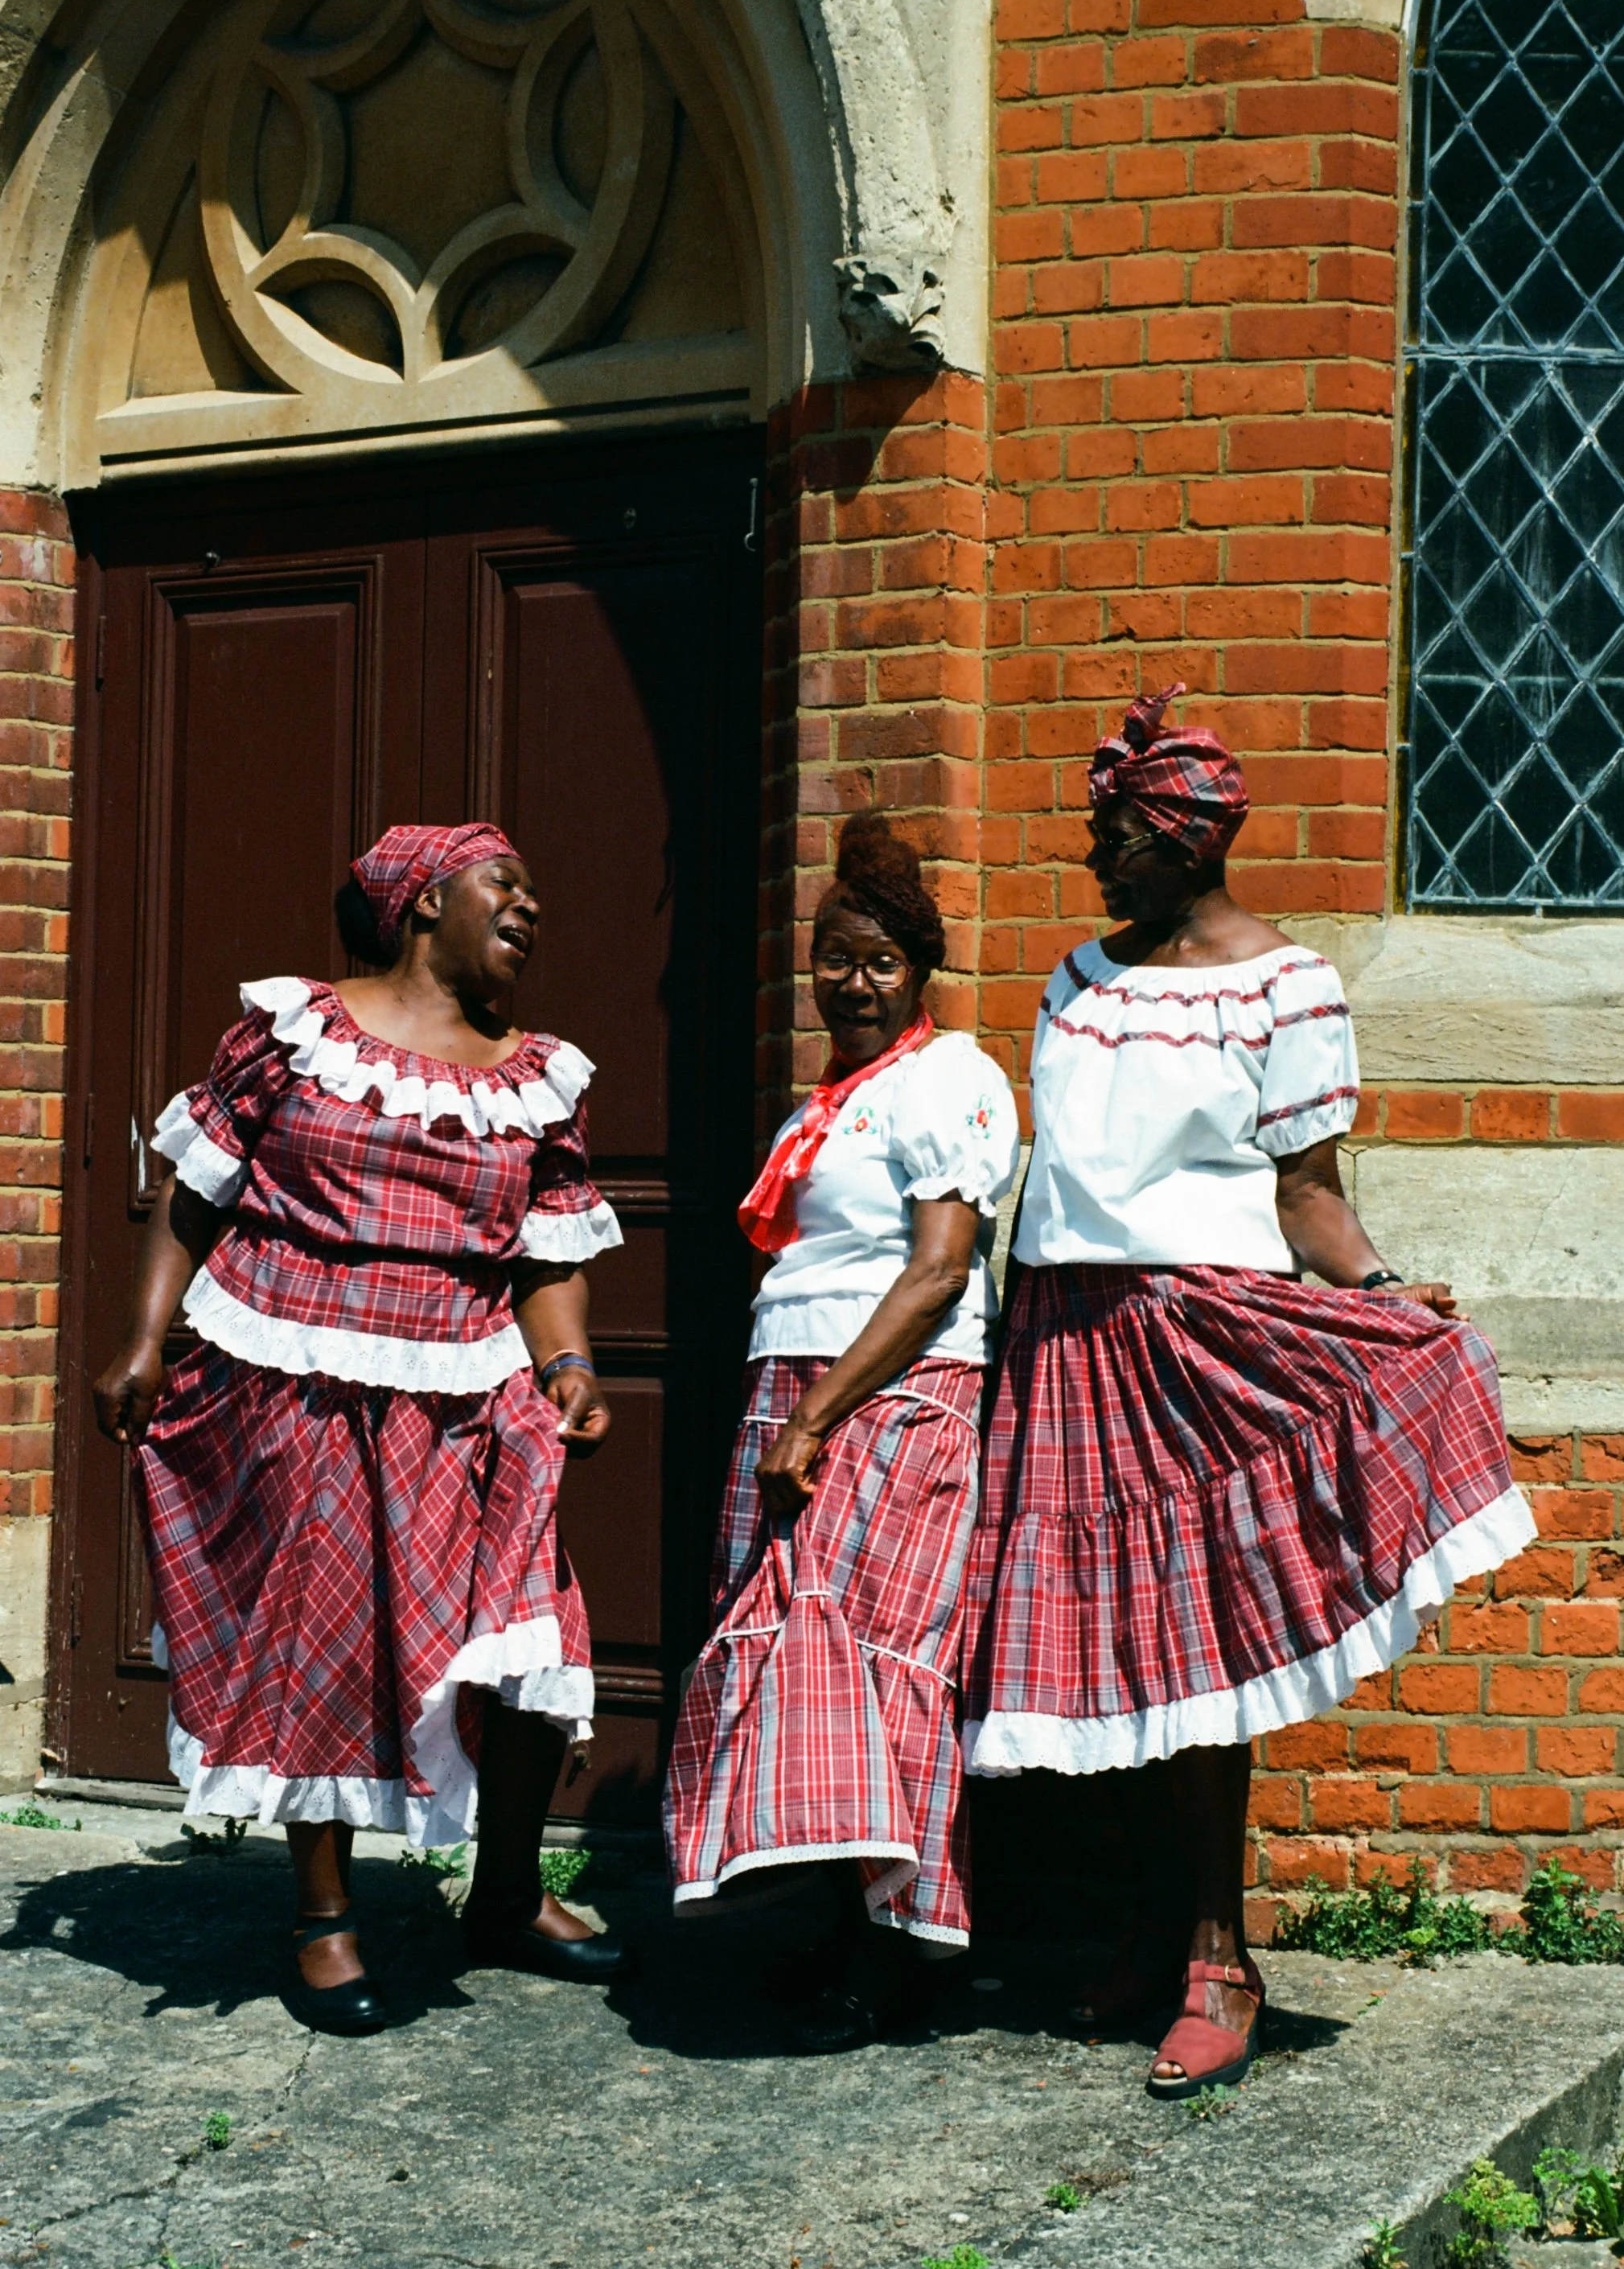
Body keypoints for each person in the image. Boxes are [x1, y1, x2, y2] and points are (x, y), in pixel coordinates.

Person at [963, 689, 1532, 2099]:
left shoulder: (1286, 984)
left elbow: (1307, 1196)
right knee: (1124, 1653)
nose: (1099, 860)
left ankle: (1220, 1957)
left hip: (1203, 1333)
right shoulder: (1073, 977)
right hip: (1068, 1331)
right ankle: (1157, 1928)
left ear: (1189, 839)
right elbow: (1054, 1178)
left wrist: (1382, 1291)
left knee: (1203, 1658)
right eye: (1101, 834)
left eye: (1122, 837)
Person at [94, 823, 627, 2034]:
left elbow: (548, 1254)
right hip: (301, 1367)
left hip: (468, 1383)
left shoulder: (535, 1073)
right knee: (328, 1638)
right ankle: (324, 1913)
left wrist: (570, 1363)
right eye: (510, 882)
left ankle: (503, 1894)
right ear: (426, 898)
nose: (532, 907)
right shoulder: (297, 1032)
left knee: (532, 1635)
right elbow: (195, 1191)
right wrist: (143, 1335)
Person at [664, 814, 1020, 2049]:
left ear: (918, 968)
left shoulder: (949, 1078)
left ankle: (913, 1948)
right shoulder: (829, 1101)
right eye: (832, 957)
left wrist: (819, 1413)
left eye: (877, 960)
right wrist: (790, 1404)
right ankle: (841, 1920)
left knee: (877, 1654)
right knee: (790, 1648)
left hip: (894, 1393)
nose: (851, 982)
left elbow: (933, 1273)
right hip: (795, 1382)